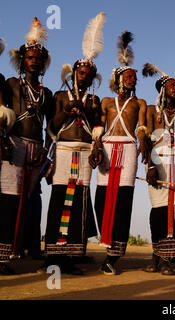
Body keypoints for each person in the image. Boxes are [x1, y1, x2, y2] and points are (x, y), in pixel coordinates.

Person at [42, 12, 106, 275]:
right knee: (60, 199)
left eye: (88, 74)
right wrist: (67, 108)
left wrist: (96, 149)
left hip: (85, 152)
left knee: (79, 199)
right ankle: (52, 255)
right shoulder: (59, 95)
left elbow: (97, 131)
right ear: (74, 73)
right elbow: (53, 126)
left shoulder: (94, 100)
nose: (84, 76)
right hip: (65, 150)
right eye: (81, 72)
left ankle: (71, 253)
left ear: (92, 78)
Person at [0, 19, 53, 275]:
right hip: (14, 144)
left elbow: (52, 127)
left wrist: (46, 149)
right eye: (30, 57)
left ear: (43, 63)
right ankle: (2, 254)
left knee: (30, 200)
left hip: (37, 148)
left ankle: (25, 247)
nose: (34, 61)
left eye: (38, 58)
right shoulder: (10, 84)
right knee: (8, 199)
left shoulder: (47, 93)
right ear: (22, 60)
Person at [95, 31, 149, 275]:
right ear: (118, 78)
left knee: (123, 201)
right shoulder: (105, 101)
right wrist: (96, 146)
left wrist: (143, 142)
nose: (132, 80)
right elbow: (98, 128)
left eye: (134, 77)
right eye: (128, 76)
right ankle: (103, 241)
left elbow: (142, 128)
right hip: (107, 147)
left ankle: (112, 256)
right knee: (102, 198)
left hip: (128, 150)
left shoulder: (140, 103)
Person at [142, 62, 175, 275]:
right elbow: (145, 138)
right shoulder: (152, 111)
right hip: (157, 162)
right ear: (163, 89)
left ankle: (165, 259)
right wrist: (151, 166)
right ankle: (157, 255)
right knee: (159, 211)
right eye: (172, 85)